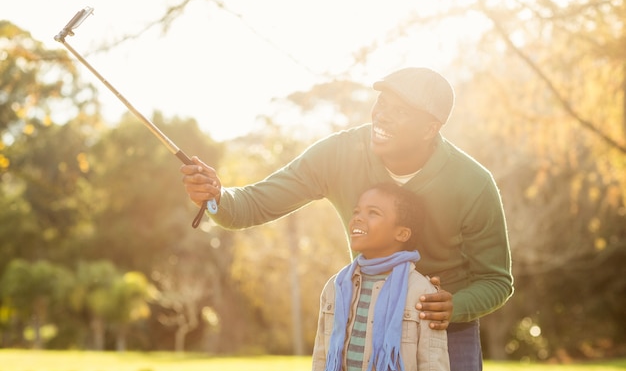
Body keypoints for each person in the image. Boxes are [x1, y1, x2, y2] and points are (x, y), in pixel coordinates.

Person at [181, 67, 513, 370]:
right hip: (364, 318)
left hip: (443, 326)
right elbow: (251, 204)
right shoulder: (340, 153)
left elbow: (497, 281)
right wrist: (217, 196)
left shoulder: (473, 183)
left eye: (400, 111)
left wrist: (454, 305)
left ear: (430, 128)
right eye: (382, 103)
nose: (382, 116)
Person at [311, 183, 450, 371]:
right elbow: (321, 356)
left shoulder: (421, 291)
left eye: (373, 213)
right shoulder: (335, 287)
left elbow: (433, 364)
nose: (358, 218)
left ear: (401, 233)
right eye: (356, 211)